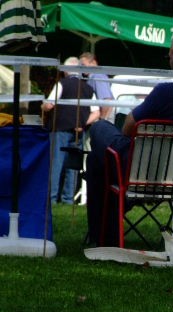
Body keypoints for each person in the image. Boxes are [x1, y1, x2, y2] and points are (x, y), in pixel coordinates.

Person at [85, 34, 173, 246]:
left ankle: (103, 236)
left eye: (170, 52)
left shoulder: (164, 92)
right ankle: (105, 231)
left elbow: (127, 128)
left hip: (141, 171)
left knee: (99, 129)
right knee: (97, 160)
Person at [41, 56, 100, 204]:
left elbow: (49, 105)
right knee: (73, 167)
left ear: (66, 71)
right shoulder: (88, 88)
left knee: (56, 165)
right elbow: (96, 112)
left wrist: (43, 106)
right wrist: (82, 122)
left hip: (60, 128)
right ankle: (68, 199)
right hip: (78, 131)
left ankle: (52, 198)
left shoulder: (61, 84)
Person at [79, 52, 115, 121]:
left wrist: (102, 119)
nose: (81, 68)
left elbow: (106, 100)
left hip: (99, 119)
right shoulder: (94, 77)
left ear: (92, 62)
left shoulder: (98, 76)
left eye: (83, 65)